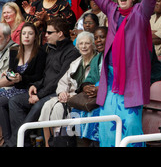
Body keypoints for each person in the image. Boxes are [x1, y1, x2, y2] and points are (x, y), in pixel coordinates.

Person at [78, 0, 159, 147]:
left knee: (130, 124)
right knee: (107, 124)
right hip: (111, 77)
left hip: (133, 77)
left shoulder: (141, 13)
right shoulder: (112, 10)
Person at [7, 18, 80, 147]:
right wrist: (35, 86)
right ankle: (23, 142)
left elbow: (59, 80)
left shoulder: (71, 52)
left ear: (60, 34)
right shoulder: (52, 50)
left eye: (49, 32)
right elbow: (46, 76)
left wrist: (39, 95)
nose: (45, 35)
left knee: (37, 106)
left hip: (57, 93)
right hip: (44, 91)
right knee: (14, 101)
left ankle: (14, 143)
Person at [38, 31, 96, 147]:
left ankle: (60, 143)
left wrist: (71, 96)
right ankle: (48, 144)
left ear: (93, 45)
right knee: (47, 106)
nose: (83, 46)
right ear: (77, 46)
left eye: (87, 43)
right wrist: (62, 92)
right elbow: (63, 81)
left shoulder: (97, 61)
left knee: (58, 108)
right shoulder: (76, 62)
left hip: (82, 98)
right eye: (81, 43)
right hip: (69, 96)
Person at [0, 23, 46, 147]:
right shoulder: (14, 51)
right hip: (15, 88)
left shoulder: (40, 53)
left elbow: (39, 77)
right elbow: (11, 70)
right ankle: (9, 140)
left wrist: (22, 78)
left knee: (13, 102)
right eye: (24, 34)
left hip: (29, 90)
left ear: (35, 37)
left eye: (30, 34)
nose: (26, 36)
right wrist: (8, 74)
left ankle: (19, 141)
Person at [72, 26, 107, 146]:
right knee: (76, 110)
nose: (98, 41)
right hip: (96, 96)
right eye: (96, 38)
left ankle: (93, 143)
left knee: (93, 113)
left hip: (109, 96)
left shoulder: (115, 56)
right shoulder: (97, 58)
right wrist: (86, 86)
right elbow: (90, 78)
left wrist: (100, 90)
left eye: (102, 37)